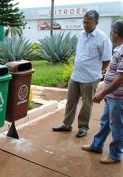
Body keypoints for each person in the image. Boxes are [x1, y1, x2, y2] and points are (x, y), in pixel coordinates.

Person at [52, 10, 112, 138]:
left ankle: (83, 127)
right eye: (84, 22)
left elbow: (106, 60)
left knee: (86, 104)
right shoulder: (81, 35)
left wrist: (95, 71)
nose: (85, 25)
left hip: (90, 78)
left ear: (96, 23)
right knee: (70, 102)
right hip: (76, 75)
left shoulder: (103, 38)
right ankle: (66, 125)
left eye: (88, 23)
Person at [82, 19, 123, 164]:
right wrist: (104, 86)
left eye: (112, 30)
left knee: (117, 126)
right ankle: (97, 145)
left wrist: (102, 93)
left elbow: (120, 79)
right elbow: (113, 74)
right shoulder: (118, 48)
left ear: (115, 33)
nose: (110, 33)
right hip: (112, 95)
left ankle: (115, 155)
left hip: (118, 97)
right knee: (105, 122)